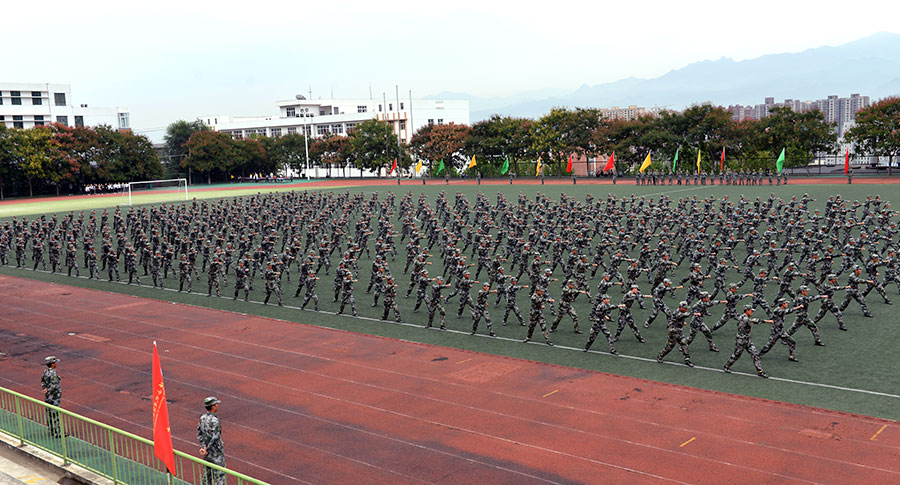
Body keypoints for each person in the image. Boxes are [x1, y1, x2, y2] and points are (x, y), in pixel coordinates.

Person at [197, 397, 226, 485]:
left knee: (207, 476)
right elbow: (216, 437)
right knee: (219, 476)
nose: (217, 406)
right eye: (216, 404)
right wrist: (208, 448)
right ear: (213, 406)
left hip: (207, 454)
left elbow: (199, 434)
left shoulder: (202, 418)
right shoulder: (215, 420)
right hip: (216, 453)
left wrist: (204, 447)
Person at [41, 356, 62, 438]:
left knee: (49, 414)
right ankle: (57, 433)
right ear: (52, 364)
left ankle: (51, 430)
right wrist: (49, 390)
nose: (56, 364)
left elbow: (42, 381)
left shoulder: (45, 371)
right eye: (55, 362)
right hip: (54, 397)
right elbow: (54, 386)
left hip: (48, 397)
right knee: (55, 415)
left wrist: (45, 389)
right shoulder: (53, 373)